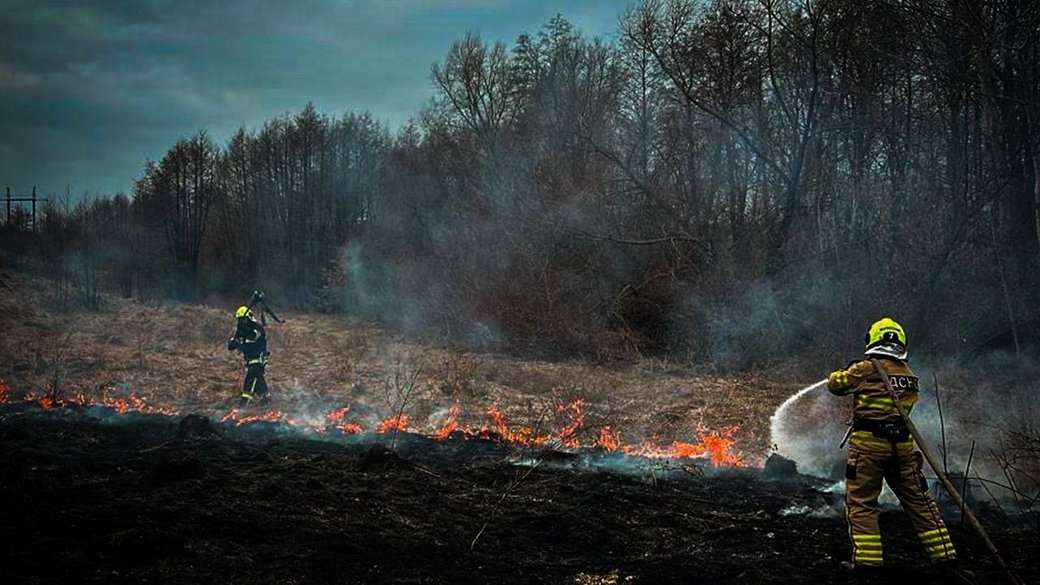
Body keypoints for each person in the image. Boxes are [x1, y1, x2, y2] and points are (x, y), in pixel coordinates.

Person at [827, 318, 956, 570]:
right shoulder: (909, 375)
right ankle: (945, 555)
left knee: (863, 503)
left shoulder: (866, 369)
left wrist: (845, 370)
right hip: (903, 449)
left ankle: (868, 563)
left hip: (868, 449)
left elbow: (836, 385)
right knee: (920, 502)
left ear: (873, 340)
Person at [227, 305, 269, 405]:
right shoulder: (240, 330)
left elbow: (253, 337)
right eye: (240, 320)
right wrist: (233, 342)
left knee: (251, 377)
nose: (242, 322)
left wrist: (240, 340)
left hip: (258, 358)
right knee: (258, 378)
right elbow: (231, 346)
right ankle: (265, 397)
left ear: (249, 318)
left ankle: (244, 401)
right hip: (249, 360)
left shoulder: (257, 328)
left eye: (244, 319)